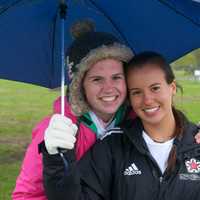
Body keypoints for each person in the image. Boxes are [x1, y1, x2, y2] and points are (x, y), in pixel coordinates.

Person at [42, 51, 200, 200]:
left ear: (172, 88)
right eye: (136, 92)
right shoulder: (112, 146)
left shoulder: (196, 143)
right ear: (129, 98)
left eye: (155, 88)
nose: (147, 100)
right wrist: (56, 160)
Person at [12, 20, 134, 199]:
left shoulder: (138, 120)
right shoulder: (53, 132)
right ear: (80, 85)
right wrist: (50, 153)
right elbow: (26, 195)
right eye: (97, 79)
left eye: (116, 77)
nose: (109, 88)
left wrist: (189, 137)